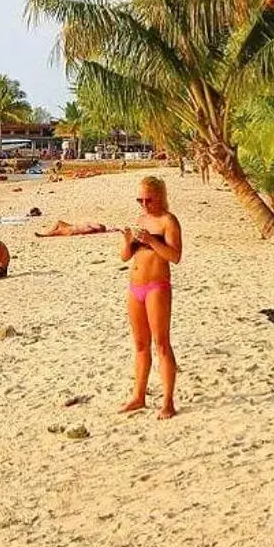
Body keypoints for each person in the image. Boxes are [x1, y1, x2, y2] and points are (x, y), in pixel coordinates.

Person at [120, 175, 182, 419]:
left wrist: (150, 241)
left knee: (162, 344)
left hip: (157, 286)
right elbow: (126, 257)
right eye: (140, 200)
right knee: (140, 344)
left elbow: (175, 256)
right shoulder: (141, 219)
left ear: (160, 197)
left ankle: (168, 401)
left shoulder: (168, 221)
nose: (144, 205)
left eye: (149, 200)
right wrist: (128, 242)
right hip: (135, 286)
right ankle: (139, 395)